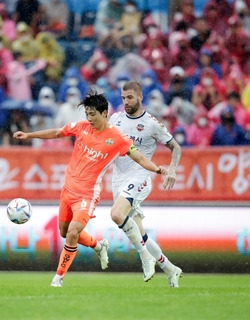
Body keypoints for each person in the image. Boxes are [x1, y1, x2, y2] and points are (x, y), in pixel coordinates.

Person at [13, 90, 168, 287]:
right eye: (87, 114)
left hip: (87, 194)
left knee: (72, 232)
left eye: (92, 114)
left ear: (104, 113)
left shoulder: (117, 138)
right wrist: (28, 134)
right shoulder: (82, 127)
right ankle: (98, 245)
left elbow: (138, 156)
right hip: (68, 190)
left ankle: (58, 278)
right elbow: (57, 132)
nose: (89, 118)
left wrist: (156, 169)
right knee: (64, 232)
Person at [108, 81, 183, 287]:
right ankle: (170, 269)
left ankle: (145, 258)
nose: (126, 102)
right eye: (123, 98)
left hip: (140, 176)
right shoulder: (115, 119)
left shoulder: (151, 123)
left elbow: (175, 147)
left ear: (140, 97)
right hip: (119, 179)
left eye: (130, 98)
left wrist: (173, 169)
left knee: (116, 214)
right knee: (140, 234)